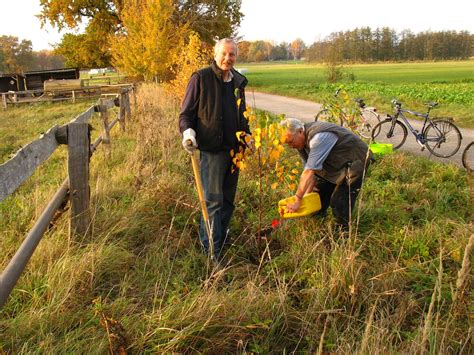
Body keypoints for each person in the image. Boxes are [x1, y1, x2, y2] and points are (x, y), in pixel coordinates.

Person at [179, 38, 252, 260]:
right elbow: (186, 114)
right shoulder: (201, 78)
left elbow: (242, 116)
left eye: (232, 55)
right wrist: (188, 134)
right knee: (212, 201)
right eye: (224, 54)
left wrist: (248, 136)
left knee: (228, 200)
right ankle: (211, 250)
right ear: (215, 53)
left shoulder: (238, 82)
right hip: (212, 151)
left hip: (235, 152)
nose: (228, 58)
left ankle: (221, 238)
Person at [280, 118, 372, 231]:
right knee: (318, 195)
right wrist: (305, 197)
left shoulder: (318, 138)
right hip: (334, 163)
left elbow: (309, 172)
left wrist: (298, 199)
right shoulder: (301, 143)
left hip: (355, 159)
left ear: (300, 131)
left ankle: (342, 233)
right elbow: (311, 172)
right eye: (287, 143)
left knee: (340, 200)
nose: (290, 146)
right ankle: (317, 224)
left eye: (291, 142)